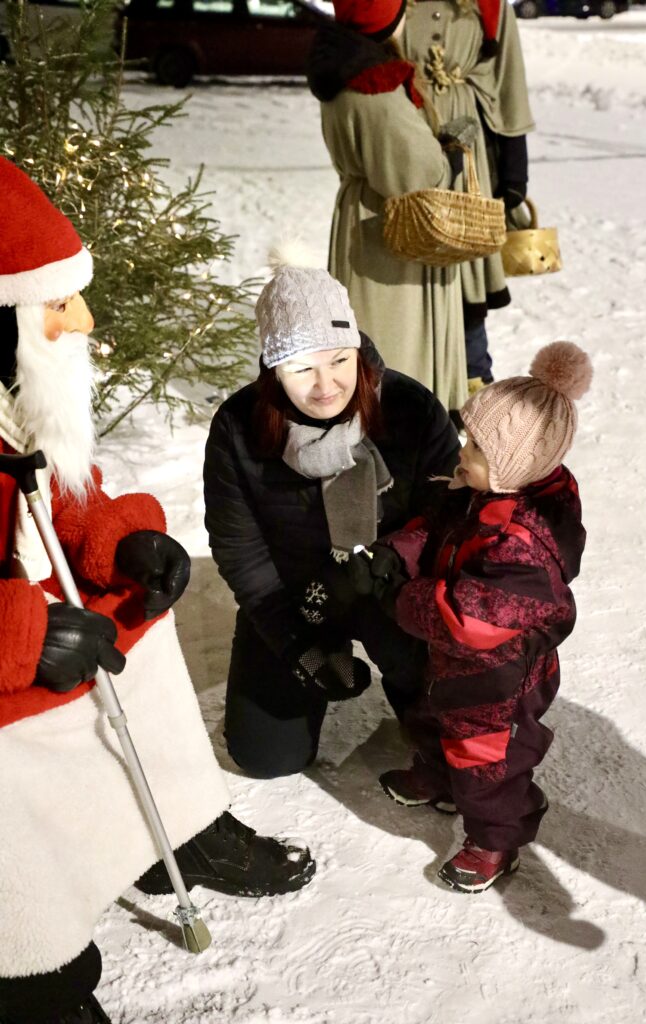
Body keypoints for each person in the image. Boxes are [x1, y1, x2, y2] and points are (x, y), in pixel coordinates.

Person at [0, 158, 314, 1024]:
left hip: (23, 606)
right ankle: (25, 966)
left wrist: (122, 539)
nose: (83, 321)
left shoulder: (9, 393)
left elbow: (66, 492)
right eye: (56, 305)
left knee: (141, 620)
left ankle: (168, 824)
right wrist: (25, 633)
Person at [203, 251, 460, 780]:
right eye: (302, 369)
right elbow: (239, 548)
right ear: (275, 370)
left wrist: (399, 572)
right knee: (266, 756)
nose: (326, 386)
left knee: (458, 738)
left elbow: (449, 511)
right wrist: (295, 641)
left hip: (392, 590)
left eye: (340, 361)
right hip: (298, 597)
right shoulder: (238, 427)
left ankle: (414, 681)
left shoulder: (408, 408)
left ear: (358, 351)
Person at [346, 341, 591, 892]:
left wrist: (398, 597)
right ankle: (438, 777)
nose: (462, 450)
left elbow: (467, 617)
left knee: (489, 765)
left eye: (477, 446)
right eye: (468, 438)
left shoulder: (526, 544)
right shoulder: (480, 493)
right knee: (432, 714)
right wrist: (399, 552)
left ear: (513, 467)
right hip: (455, 666)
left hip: (499, 679)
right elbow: (437, 525)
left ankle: (495, 839)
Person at [306, 0, 470, 412]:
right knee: (398, 338)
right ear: (384, 15)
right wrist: (446, 157)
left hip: (363, 217)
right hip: (389, 229)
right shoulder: (373, 85)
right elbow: (413, 171)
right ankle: (405, 426)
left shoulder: (344, 70)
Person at [402, 0, 535, 392]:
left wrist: (515, 168)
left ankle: (473, 381)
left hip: (471, 148)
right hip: (408, 137)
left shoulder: (489, 4)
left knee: (466, 267)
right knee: (412, 262)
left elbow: (509, 80)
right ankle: (416, 383)